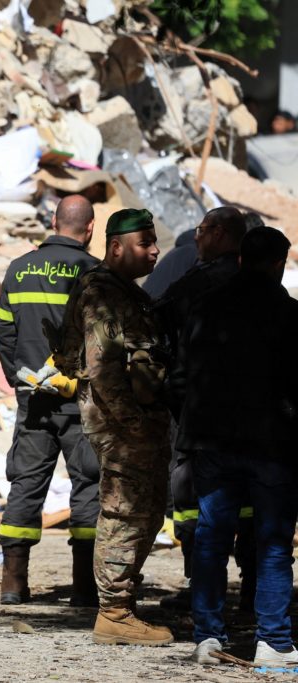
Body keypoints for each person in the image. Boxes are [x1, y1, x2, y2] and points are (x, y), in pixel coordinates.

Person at [168, 226, 298, 666]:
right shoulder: (290, 316)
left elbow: (180, 376)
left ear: (241, 258)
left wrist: (191, 423)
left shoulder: (205, 308)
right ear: (279, 263)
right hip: (272, 446)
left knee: (210, 537)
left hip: (212, 442)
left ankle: (208, 637)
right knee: (274, 543)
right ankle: (274, 642)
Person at [53, 208, 173, 645]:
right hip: (123, 426)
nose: (155, 250)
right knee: (124, 512)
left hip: (138, 423)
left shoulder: (126, 292)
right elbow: (102, 368)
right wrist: (133, 423)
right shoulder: (102, 293)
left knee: (147, 512)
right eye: (145, 242)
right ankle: (114, 612)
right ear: (117, 247)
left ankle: (123, 604)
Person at [0, 195, 101, 606]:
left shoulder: (19, 268)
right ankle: (85, 588)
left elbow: (5, 332)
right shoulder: (94, 273)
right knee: (89, 484)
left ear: (53, 220)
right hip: (82, 403)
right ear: (90, 229)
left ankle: (13, 584)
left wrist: (18, 379)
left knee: (25, 484)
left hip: (34, 399)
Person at [152, 207, 255, 612]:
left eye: (202, 230)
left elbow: (158, 327)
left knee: (192, 496)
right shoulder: (262, 286)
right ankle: (252, 590)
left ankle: (202, 589)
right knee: (250, 500)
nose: (196, 238)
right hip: (252, 415)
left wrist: (169, 391)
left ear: (221, 234)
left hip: (199, 411)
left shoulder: (197, 283)